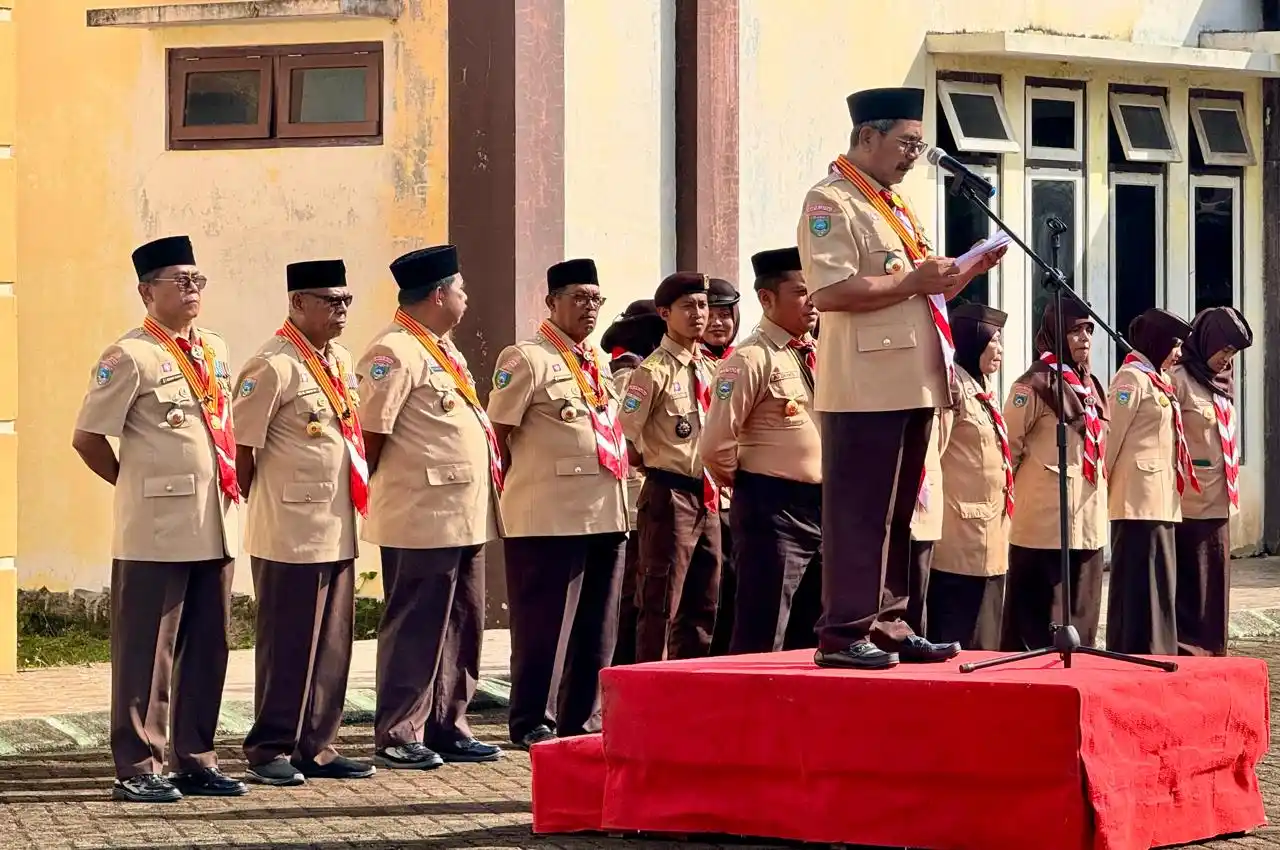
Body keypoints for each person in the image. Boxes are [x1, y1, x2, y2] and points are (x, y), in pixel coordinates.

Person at [796, 86, 1005, 670]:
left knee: (898, 511)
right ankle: (842, 633)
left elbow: (916, 288)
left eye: (919, 144)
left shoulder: (892, 205)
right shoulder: (831, 202)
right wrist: (918, 278)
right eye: (907, 142)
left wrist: (964, 270)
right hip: (864, 384)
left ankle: (889, 623)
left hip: (912, 378)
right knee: (859, 510)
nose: (914, 154)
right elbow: (831, 291)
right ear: (868, 136)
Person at [72, 235, 246, 803]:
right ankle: (139, 766)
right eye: (181, 280)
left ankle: (195, 759)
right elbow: (88, 437)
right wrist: (133, 485)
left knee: (209, 644)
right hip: (155, 528)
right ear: (147, 291)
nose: (193, 289)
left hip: (214, 521)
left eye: (198, 279)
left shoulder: (214, 349)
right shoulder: (129, 356)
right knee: (148, 649)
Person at [357, 245, 503, 770]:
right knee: (417, 625)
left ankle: (448, 724)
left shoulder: (443, 350)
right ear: (439, 294)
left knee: (464, 621)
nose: (466, 298)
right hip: (421, 515)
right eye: (460, 288)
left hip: (463, 512)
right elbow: (369, 435)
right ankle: (399, 731)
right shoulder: (393, 352)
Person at [232, 259, 373, 786]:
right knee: (288, 642)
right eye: (329, 300)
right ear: (297, 303)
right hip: (289, 527)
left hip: (336, 520)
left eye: (346, 300)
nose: (340, 310)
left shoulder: (337, 357)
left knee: (334, 642)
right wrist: (262, 503)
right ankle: (270, 746)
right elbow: (242, 450)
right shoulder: (273, 365)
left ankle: (319, 744)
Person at [486, 258, 629, 749]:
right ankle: (531, 719)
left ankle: (583, 716)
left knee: (597, 625)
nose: (589, 309)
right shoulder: (525, 359)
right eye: (578, 298)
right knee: (545, 626)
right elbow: (496, 435)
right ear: (551, 303)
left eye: (595, 299)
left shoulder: (597, 360)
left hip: (605, 509)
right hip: (548, 515)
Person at [701, 247, 823, 654]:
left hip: (822, 507)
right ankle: (749, 715)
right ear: (767, 299)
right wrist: (756, 486)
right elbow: (716, 443)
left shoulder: (818, 353)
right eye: (802, 292)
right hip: (773, 507)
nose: (814, 302)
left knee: (813, 629)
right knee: (764, 625)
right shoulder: (751, 358)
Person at [619, 272, 722, 662]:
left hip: (708, 496)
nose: (699, 314)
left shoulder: (710, 369)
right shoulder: (652, 372)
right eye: (687, 307)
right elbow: (624, 437)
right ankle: (651, 683)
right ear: (665, 313)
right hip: (669, 494)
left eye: (702, 305)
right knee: (662, 600)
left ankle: (690, 683)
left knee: (704, 601)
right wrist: (654, 465)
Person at [1000, 301, 1109, 651]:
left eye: (1089, 330)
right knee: (1039, 615)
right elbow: (1008, 449)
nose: (1084, 338)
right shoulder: (1032, 384)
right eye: (1075, 330)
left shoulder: (1092, 387)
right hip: (1043, 521)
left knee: (1082, 608)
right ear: (1055, 333)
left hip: (1086, 517)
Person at [1105, 307, 1196, 656]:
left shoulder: (1159, 379)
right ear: (1156, 342)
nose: (1178, 353)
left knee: (1160, 579)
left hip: (1161, 497)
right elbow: (1112, 438)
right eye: (1174, 344)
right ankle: (1133, 646)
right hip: (1136, 498)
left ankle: (1158, 646)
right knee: (1138, 580)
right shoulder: (1131, 378)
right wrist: (1106, 485)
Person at [1169, 307, 1253, 656]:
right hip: (1190, 499)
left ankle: (1213, 647)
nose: (1226, 359)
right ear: (1207, 342)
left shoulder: (1222, 383)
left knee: (1216, 578)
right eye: (1224, 350)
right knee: (1191, 576)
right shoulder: (1180, 379)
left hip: (1220, 497)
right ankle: (1187, 648)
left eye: (1232, 354)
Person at [927, 303, 1011, 650]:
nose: (1001, 350)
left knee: (988, 630)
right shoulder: (954, 389)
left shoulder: (982, 389)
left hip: (991, 532)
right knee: (961, 630)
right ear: (973, 341)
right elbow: (934, 454)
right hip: (960, 535)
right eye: (994, 341)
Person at [601, 300, 667, 667]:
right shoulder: (631, 376)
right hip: (634, 500)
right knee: (633, 598)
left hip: (632, 501)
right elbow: (631, 444)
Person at [702, 277, 741, 656]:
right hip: (699, 497)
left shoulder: (742, 360)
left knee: (734, 591)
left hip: (735, 501)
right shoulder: (683, 365)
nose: (718, 322)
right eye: (710, 314)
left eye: (726, 313)